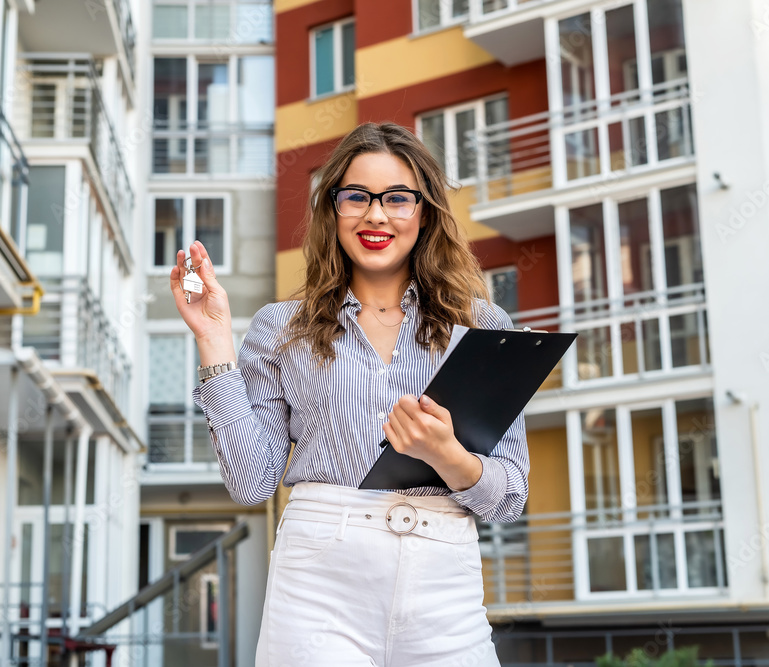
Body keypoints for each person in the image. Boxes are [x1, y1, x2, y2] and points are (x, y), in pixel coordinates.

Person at [170, 121, 528, 667]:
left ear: (424, 211)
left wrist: (447, 455)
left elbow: (513, 496)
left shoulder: (480, 327)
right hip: (318, 580)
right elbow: (251, 481)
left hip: (443, 584)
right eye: (356, 196)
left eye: (398, 198)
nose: (376, 215)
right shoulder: (279, 327)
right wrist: (215, 341)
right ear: (332, 210)